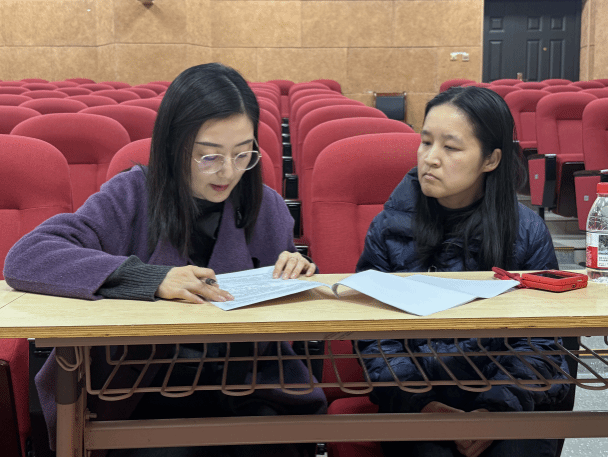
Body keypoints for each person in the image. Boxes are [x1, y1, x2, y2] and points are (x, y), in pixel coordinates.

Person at [4, 63, 326, 457]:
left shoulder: (268, 207)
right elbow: (28, 256)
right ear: (175, 146)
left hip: (246, 384)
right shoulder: (132, 194)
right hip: (144, 389)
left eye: (243, 154)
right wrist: (150, 278)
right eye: (209, 157)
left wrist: (297, 271)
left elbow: (275, 314)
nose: (228, 172)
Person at [356, 86, 570, 457]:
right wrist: (420, 403)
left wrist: (497, 409)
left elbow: (541, 338)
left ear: (491, 159)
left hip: (509, 398)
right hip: (419, 399)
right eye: (425, 142)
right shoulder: (388, 227)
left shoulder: (526, 232)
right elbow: (373, 333)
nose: (430, 158)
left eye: (451, 147)